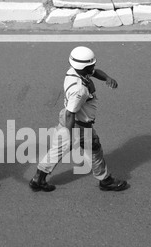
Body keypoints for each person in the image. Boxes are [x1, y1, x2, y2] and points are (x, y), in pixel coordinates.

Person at [29, 46, 129, 192]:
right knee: (94, 149)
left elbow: (95, 73)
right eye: (91, 65)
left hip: (68, 120)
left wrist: (107, 78)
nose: (94, 67)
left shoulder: (74, 71)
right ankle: (105, 180)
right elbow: (71, 113)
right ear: (83, 68)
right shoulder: (79, 90)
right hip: (78, 124)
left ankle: (38, 179)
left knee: (58, 149)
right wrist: (70, 135)